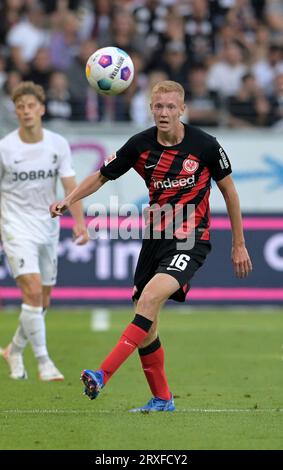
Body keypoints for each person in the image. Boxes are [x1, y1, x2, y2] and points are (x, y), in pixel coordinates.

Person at [50, 80, 252, 411]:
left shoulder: (205, 146)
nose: (164, 113)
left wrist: (239, 244)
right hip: (155, 239)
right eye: (158, 107)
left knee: (148, 300)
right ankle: (162, 398)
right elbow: (101, 175)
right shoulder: (140, 145)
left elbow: (229, 191)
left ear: (182, 110)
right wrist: (68, 200)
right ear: (151, 108)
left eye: (171, 107)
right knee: (147, 324)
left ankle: (102, 374)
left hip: (191, 239)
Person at [0, 81, 88, 381]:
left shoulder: (57, 144)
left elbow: (70, 187)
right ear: (17, 112)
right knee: (33, 291)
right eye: (20, 107)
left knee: (43, 300)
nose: (26, 111)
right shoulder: (5, 148)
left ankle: (13, 349)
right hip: (14, 226)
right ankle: (44, 361)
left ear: (42, 109)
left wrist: (79, 221)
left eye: (31, 106)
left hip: (47, 227)